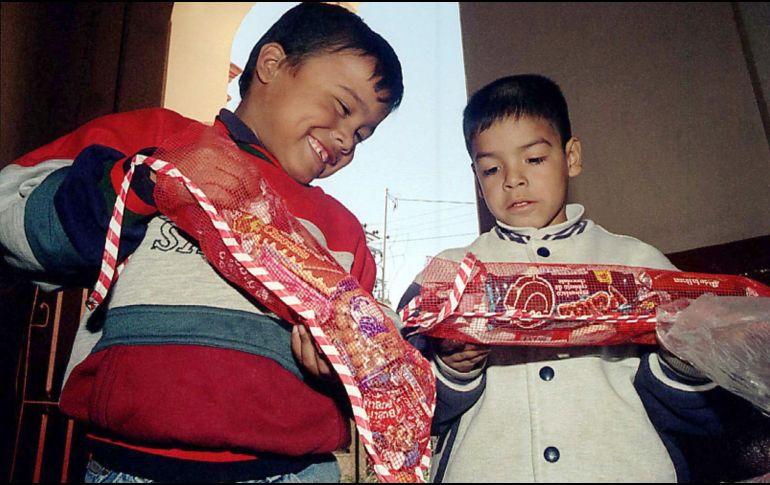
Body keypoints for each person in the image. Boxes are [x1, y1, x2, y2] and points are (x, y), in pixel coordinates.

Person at [0, 3, 402, 482]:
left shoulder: (341, 232)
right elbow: (12, 216)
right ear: (271, 65)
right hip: (128, 466)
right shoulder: (154, 138)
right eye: (341, 107)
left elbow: (374, 362)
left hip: (290, 472)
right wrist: (135, 185)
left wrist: (343, 365)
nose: (345, 141)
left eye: (362, 133)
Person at [398, 74, 742, 483]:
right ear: (476, 176)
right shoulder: (447, 275)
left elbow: (702, 418)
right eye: (491, 169)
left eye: (535, 159)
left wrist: (684, 360)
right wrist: (453, 369)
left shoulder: (637, 263)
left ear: (571, 155)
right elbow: (402, 411)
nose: (513, 179)